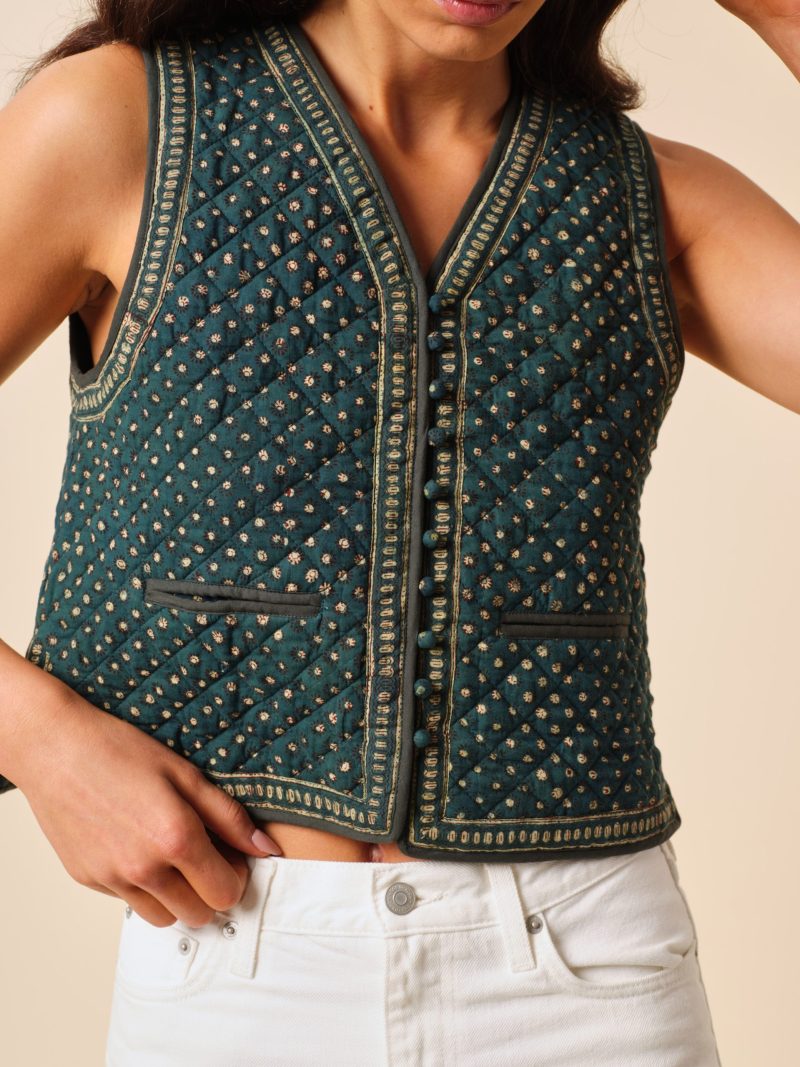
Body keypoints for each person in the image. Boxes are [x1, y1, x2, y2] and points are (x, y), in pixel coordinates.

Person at [0, 0, 797, 1063]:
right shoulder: (122, 123)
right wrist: (34, 736)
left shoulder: (647, 197)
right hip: (234, 956)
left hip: (588, 971)